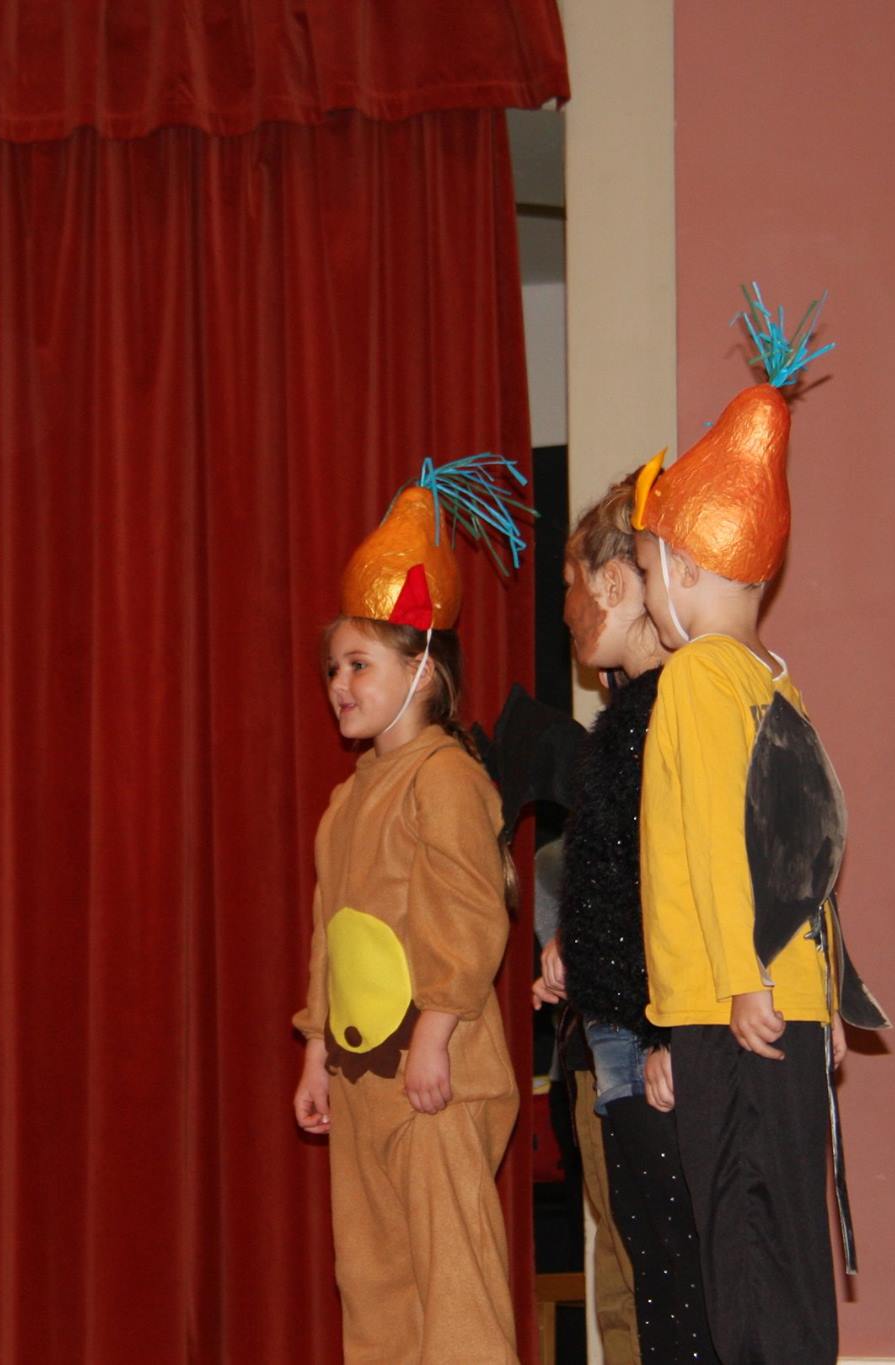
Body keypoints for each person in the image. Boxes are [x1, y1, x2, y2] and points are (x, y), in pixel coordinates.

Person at [629, 291, 886, 1364]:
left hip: (731, 1010)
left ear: (686, 571)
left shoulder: (693, 677)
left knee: (741, 1247)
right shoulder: (774, 680)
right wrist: (820, 996)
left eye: (647, 571)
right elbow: (806, 848)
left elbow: (715, 843)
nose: (647, 598)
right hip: (782, 1006)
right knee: (787, 1244)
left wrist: (736, 982)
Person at [290, 455, 530, 1362]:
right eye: (332, 669)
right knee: (376, 1278)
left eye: (359, 663)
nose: (339, 684)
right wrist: (317, 1052)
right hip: (363, 1080)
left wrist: (433, 1034)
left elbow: (471, 915)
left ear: (422, 666)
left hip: (438, 1075)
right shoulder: (346, 801)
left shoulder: (446, 778)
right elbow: (330, 937)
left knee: (452, 1278)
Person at [538, 473, 720, 1362]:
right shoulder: (628, 719)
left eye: (572, 584)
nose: (566, 610)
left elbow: (689, 884)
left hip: (654, 1048)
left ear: (616, 581)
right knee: (651, 1277)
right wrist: (574, 942)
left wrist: (668, 1032)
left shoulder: (671, 711)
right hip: (621, 1044)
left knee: (681, 1290)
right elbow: (625, 875)